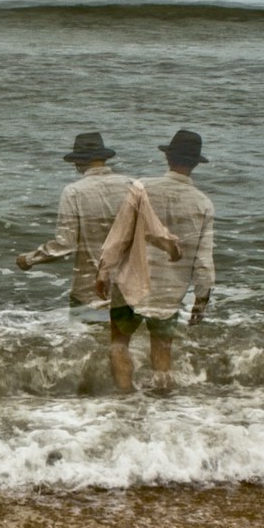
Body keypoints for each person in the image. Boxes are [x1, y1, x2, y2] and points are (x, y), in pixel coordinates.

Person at [96, 129, 215, 393]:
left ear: (168, 157)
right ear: (195, 163)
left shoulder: (140, 188)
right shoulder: (203, 203)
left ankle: (126, 400)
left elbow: (120, 235)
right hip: (169, 293)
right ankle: (161, 409)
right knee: (163, 353)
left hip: (131, 284)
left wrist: (103, 271)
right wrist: (202, 298)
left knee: (119, 344)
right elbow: (203, 259)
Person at [16, 131, 132, 320]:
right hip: (130, 289)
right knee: (126, 346)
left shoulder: (74, 192)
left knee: (88, 345)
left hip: (91, 292)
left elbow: (65, 245)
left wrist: (29, 259)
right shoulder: (132, 185)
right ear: (104, 158)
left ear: (77, 162)